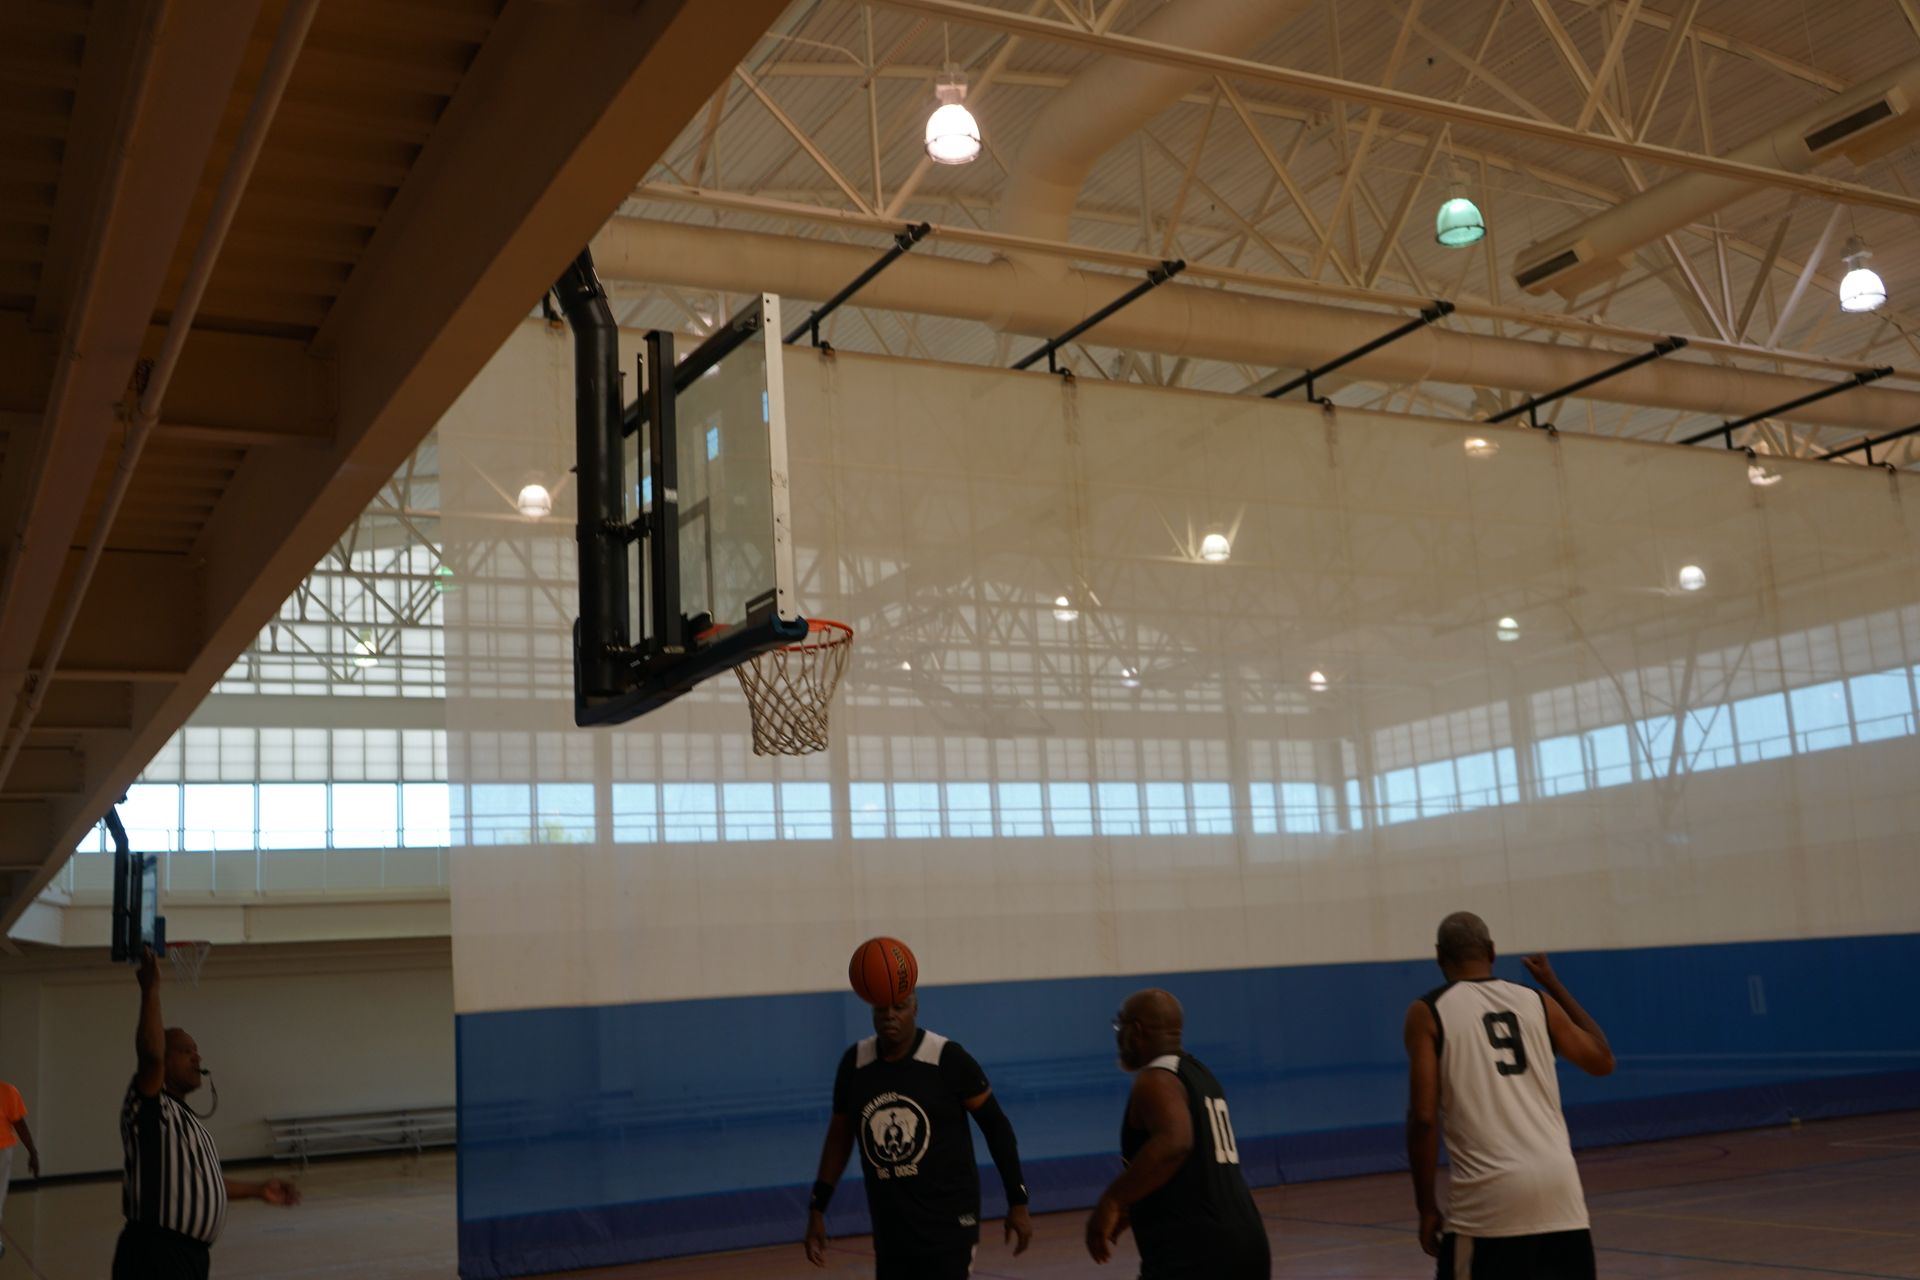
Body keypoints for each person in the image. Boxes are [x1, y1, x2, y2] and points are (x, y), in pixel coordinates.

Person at [1404, 911, 1615, 1280]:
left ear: (1439, 957)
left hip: (1489, 1203)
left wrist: (1425, 1209)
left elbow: (1423, 1118)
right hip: (1561, 1195)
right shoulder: (1539, 1002)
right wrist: (1553, 984)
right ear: (1492, 951)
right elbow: (1602, 1060)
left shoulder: (1427, 1013)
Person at [804, 991, 1033, 1278]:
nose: (890, 1014)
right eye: (881, 1008)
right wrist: (817, 1208)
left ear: (915, 1008)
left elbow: (996, 1127)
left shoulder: (946, 1058)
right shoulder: (855, 1064)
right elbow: (839, 1138)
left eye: (899, 1007)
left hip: (949, 1224)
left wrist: (1018, 1200)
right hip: (891, 1228)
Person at [114, 948, 301, 1280]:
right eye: (185, 1051)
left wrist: (258, 1189)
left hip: (189, 1258)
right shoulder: (148, 1107)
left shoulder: (184, 1119)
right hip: (155, 1255)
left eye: (197, 1051)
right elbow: (150, 1056)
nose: (197, 1058)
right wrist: (151, 990)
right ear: (164, 1059)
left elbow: (201, 1184)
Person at [1085, 988, 1269, 1277]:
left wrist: (1113, 1199)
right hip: (1246, 1244)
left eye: (1119, 1026)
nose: (1118, 1035)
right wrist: (1135, 1203)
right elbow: (1193, 1168)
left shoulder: (1155, 1080)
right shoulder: (1199, 1074)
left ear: (1136, 1030)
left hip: (1196, 1253)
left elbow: (1175, 1143)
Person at [0, 1075, 41, 1260]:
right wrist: (33, 1153)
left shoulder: (8, 1092)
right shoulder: (8, 1091)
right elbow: (20, 1124)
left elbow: (19, 1123)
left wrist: (32, 1152)